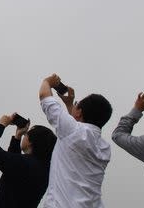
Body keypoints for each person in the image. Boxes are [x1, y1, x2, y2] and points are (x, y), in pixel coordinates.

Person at [39, 74, 112, 208]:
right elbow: (73, 128)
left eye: (77, 106)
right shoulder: (104, 148)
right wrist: (69, 104)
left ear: (79, 113)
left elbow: (45, 97)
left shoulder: (73, 132)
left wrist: (47, 81)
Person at [0, 112, 57, 208]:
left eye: (27, 134)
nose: (25, 135)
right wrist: (18, 137)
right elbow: (13, 168)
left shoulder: (25, 164)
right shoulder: (45, 168)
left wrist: (1, 124)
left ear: (31, 142)